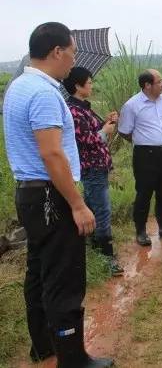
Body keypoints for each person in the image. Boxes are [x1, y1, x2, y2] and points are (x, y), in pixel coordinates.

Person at [3, 22, 113, 366]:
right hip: (51, 196)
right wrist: (78, 204)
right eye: (73, 52)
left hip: (31, 196)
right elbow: (52, 154)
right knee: (63, 277)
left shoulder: (19, 86)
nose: (73, 60)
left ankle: (44, 347)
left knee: (39, 272)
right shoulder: (44, 93)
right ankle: (73, 358)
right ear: (57, 52)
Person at [63, 67, 124, 276]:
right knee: (102, 211)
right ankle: (107, 257)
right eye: (89, 82)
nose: (91, 85)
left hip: (97, 167)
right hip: (92, 168)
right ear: (78, 85)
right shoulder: (74, 111)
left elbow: (96, 130)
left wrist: (107, 122)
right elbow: (85, 141)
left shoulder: (84, 108)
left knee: (94, 208)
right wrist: (104, 132)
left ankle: (92, 251)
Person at [118, 70, 162, 246]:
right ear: (147, 85)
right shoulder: (132, 105)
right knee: (144, 193)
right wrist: (143, 141)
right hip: (146, 156)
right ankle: (141, 231)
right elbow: (124, 131)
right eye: (159, 81)